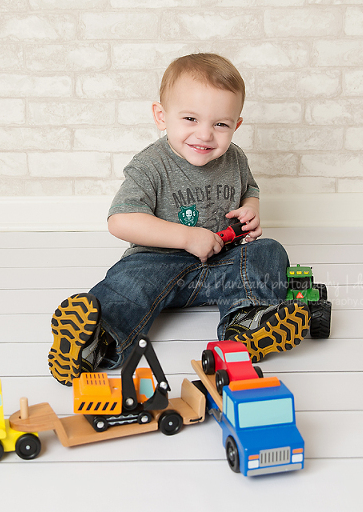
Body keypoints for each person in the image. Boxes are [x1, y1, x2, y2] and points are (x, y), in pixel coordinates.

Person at [48, 53, 309, 386]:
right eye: (190, 119)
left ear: (236, 125)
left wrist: (251, 208)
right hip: (156, 263)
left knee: (268, 251)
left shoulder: (235, 158)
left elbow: (250, 189)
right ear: (161, 116)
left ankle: (249, 322)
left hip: (220, 265)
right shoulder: (150, 165)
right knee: (127, 284)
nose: (204, 135)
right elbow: (120, 220)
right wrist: (186, 238)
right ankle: (93, 343)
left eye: (220, 124)